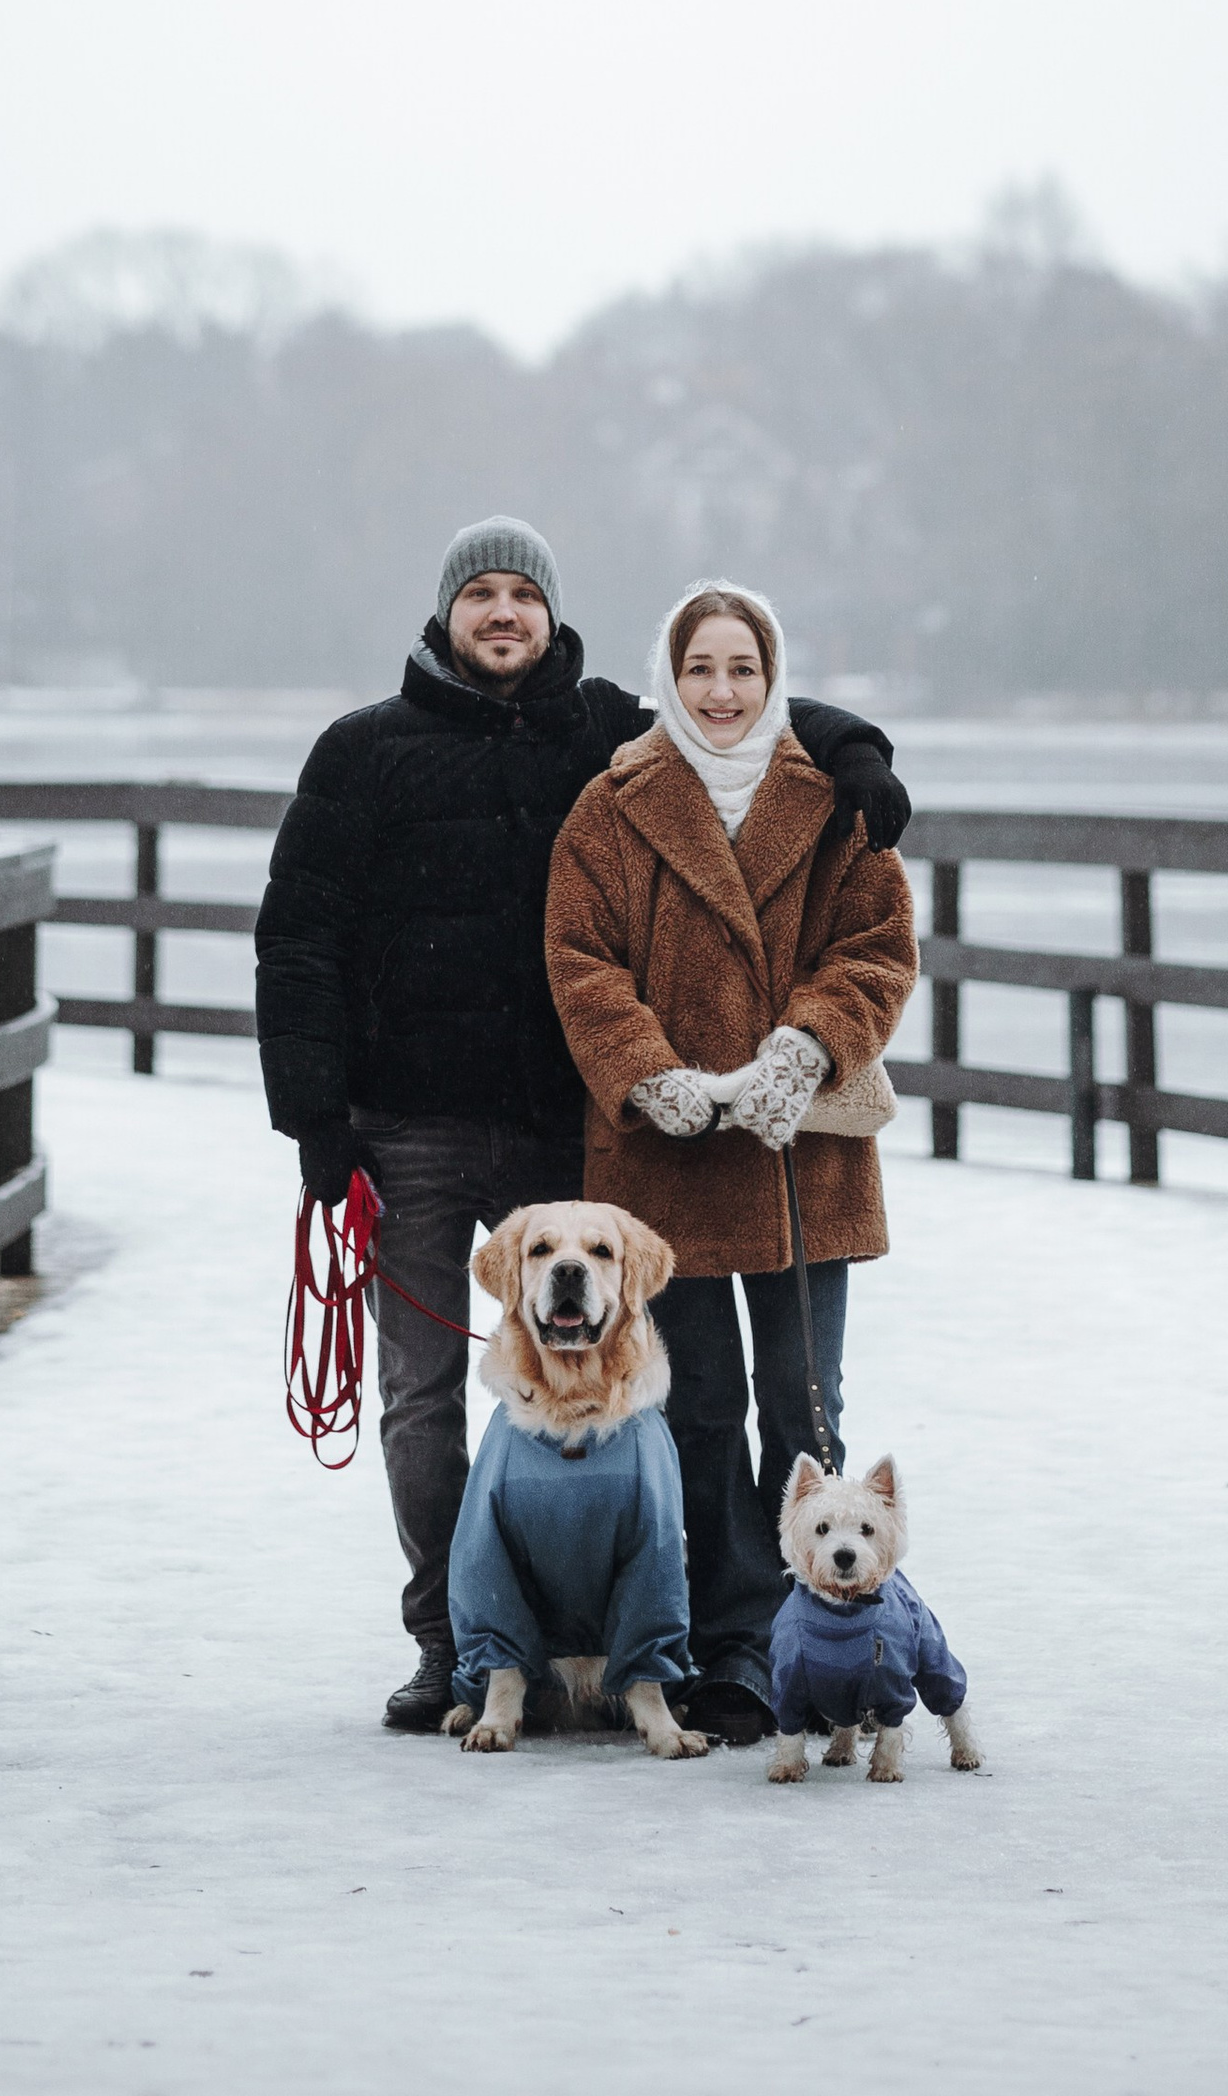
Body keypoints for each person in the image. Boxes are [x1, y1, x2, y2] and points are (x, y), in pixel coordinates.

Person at [253, 516, 909, 1733]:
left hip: (566, 1134)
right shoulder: (363, 750)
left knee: (640, 1386)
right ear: (445, 613)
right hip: (415, 1125)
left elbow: (738, 702)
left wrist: (856, 746)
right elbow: (297, 940)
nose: (503, 612)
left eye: (524, 593)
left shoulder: (604, 725)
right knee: (422, 1399)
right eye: (480, 594)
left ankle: (671, 1633)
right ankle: (455, 1641)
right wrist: (314, 1120)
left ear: (553, 613)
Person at [542, 578, 918, 1745]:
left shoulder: (835, 803)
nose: (720, 691)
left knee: (804, 1399)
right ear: (670, 676)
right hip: (670, 1163)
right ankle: (733, 1641)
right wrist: (651, 1074)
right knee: (698, 1408)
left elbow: (877, 946)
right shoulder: (612, 805)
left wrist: (802, 1050)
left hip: (801, 1154)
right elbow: (578, 957)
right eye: (698, 668)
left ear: (772, 677)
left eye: (741, 669)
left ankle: (820, 1619)